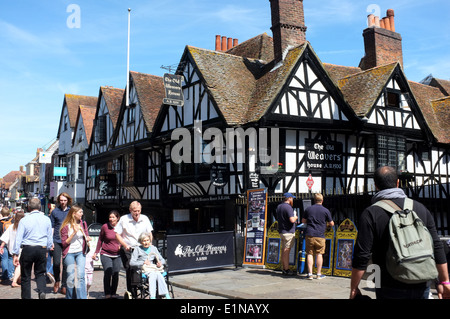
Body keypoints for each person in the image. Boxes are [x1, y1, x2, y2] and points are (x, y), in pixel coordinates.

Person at [350, 166, 450, 299]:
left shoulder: (371, 213)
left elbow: (362, 255)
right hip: (422, 283)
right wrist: (445, 281)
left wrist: (354, 287)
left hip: (386, 283)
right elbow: (436, 246)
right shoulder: (420, 208)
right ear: (398, 183)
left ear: (376, 185)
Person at [12, 198, 53, 299]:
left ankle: (26, 297)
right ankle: (42, 291)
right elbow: (49, 237)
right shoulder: (46, 219)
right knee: (40, 273)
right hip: (41, 248)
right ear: (39, 207)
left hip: (28, 248)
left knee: (26, 276)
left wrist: (15, 253)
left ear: (29, 207)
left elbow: (18, 238)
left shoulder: (24, 220)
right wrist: (47, 249)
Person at [115, 201, 154, 296]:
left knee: (143, 267)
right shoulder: (124, 219)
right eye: (135, 211)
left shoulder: (144, 218)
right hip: (128, 248)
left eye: (139, 211)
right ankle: (132, 293)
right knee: (131, 268)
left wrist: (150, 244)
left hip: (141, 248)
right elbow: (117, 234)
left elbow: (150, 233)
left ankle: (144, 287)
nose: (137, 213)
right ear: (130, 210)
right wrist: (125, 245)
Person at [60, 204, 91, 299]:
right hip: (69, 253)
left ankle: (82, 297)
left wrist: (88, 238)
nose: (82, 214)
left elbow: (86, 234)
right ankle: (70, 297)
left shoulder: (83, 223)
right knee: (71, 277)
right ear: (74, 214)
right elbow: (64, 243)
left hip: (80, 252)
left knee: (81, 276)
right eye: (80, 212)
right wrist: (74, 232)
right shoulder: (66, 226)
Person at [301, 193, 334, 280]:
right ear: (322, 201)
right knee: (319, 254)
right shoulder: (325, 210)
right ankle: (318, 274)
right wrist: (326, 224)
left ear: (314, 200)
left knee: (310, 254)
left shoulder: (308, 209)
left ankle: (310, 274)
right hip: (320, 235)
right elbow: (332, 223)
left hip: (310, 234)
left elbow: (303, 221)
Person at [130, 232, 171, 299]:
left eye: (147, 240)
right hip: (143, 270)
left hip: (153, 269)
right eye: (144, 241)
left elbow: (162, 260)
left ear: (150, 240)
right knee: (154, 274)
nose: (146, 242)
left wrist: (160, 263)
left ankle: (165, 295)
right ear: (141, 241)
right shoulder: (137, 249)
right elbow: (132, 263)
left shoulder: (153, 248)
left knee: (157, 274)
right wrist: (143, 262)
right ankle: (155, 296)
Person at [93, 210, 121, 299]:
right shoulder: (105, 227)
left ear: (117, 218)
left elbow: (125, 238)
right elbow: (100, 240)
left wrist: (122, 245)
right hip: (106, 253)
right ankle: (107, 293)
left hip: (118, 255)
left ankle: (113, 292)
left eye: (113, 217)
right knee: (108, 272)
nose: (111, 219)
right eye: (110, 217)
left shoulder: (121, 227)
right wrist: (96, 252)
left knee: (116, 273)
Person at [50, 192, 72, 294]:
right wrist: (51, 241)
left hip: (68, 240)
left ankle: (64, 285)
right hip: (57, 240)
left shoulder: (71, 211)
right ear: (59, 201)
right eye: (61, 200)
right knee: (56, 263)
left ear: (68, 200)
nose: (63, 202)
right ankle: (57, 281)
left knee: (66, 264)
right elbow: (52, 227)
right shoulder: (55, 212)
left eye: (65, 200)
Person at [0, 211, 25, 287]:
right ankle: (14, 281)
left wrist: (1, 246)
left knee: (16, 264)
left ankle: (18, 279)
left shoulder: (12, 227)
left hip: (12, 249)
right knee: (19, 264)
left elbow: (5, 237)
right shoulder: (23, 227)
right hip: (21, 248)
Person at [276, 193, 298, 276]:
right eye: (292, 198)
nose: (292, 200)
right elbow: (292, 220)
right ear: (289, 198)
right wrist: (296, 217)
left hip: (282, 231)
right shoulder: (288, 207)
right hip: (288, 232)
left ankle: (284, 268)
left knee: (283, 250)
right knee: (286, 251)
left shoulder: (279, 206)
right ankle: (286, 269)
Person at [0, 206, 14, 282]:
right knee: (10, 258)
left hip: (2, 243)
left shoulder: (0, 222)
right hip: (10, 242)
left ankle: (5, 275)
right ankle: (10, 274)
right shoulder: (12, 221)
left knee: (4, 259)